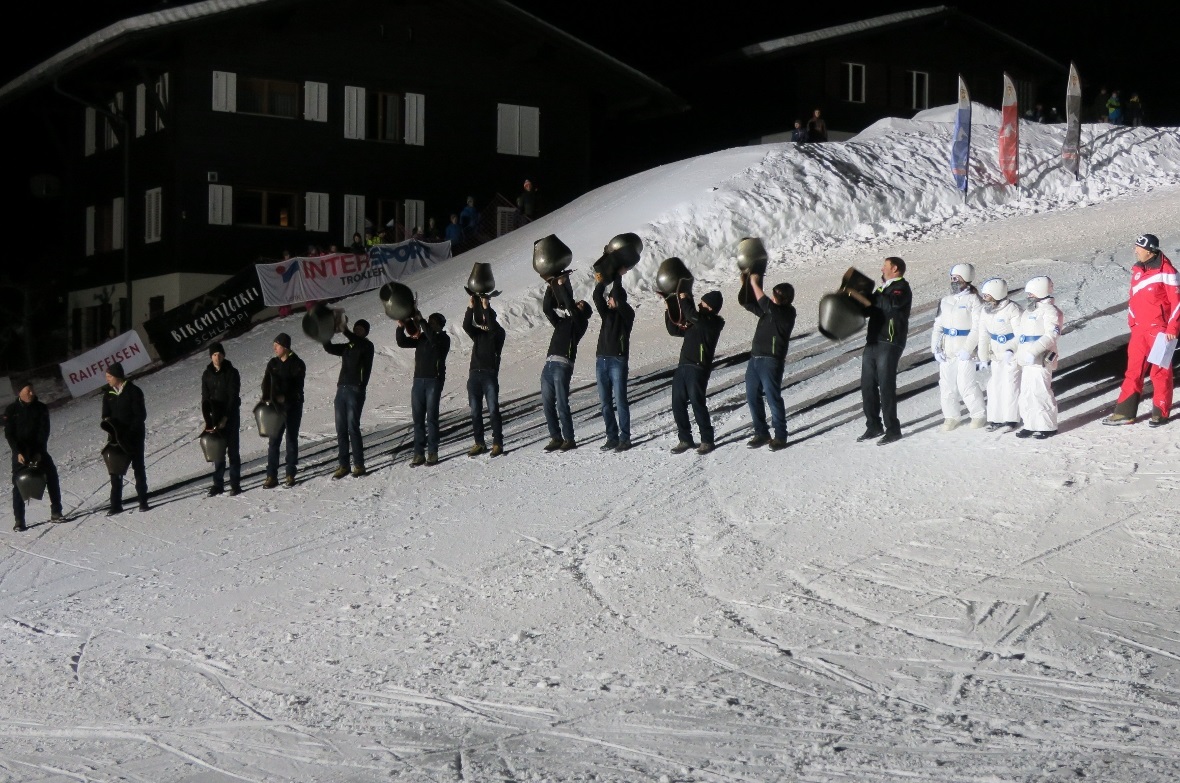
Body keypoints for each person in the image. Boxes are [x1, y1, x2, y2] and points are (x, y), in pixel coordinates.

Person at [1103, 233, 1179, 427]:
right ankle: (1125, 412)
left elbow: (1177, 303)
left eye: (1139, 247)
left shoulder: (1168, 271)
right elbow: (1133, 298)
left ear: (1150, 251)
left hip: (1161, 330)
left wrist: (1172, 327)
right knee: (1133, 370)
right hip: (1140, 330)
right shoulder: (1137, 270)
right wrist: (1132, 321)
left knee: (1160, 371)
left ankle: (1160, 411)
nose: (1135, 250)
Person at [849, 257, 912, 445]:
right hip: (873, 340)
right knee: (867, 385)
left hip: (890, 341)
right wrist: (856, 298)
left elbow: (890, 304)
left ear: (895, 268)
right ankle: (873, 425)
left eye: (884, 266)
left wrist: (871, 295)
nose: (881, 269)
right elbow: (869, 310)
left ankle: (893, 429)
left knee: (886, 386)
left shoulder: (901, 288)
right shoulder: (882, 288)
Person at [666, 289, 726, 454]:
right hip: (683, 365)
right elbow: (674, 330)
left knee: (697, 403)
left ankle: (707, 440)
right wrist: (669, 308)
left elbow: (692, 315)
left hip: (698, 367)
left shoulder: (712, 323)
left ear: (711, 307)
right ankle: (685, 439)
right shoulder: (697, 320)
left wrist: (685, 300)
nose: (699, 304)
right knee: (677, 404)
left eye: (703, 302)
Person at [742, 273, 796, 449]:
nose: (772, 298)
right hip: (755, 358)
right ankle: (761, 433)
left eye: (775, 296)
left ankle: (780, 436)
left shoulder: (787, 313)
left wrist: (754, 283)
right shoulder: (769, 310)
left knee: (773, 398)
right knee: (752, 396)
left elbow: (765, 302)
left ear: (784, 300)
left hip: (771, 361)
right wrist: (745, 285)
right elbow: (747, 302)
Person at [930, 263, 986, 430]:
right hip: (948, 349)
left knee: (965, 384)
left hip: (965, 350)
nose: (953, 281)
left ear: (966, 280)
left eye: (957, 278)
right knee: (946, 384)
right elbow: (938, 326)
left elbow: (977, 327)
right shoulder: (946, 301)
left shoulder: (974, 301)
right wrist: (935, 348)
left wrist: (968, 349)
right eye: (952, 278)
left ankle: (978, 414)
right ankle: (951, 416)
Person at [5, 381, 65, 530]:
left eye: (32, 391)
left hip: (38, 449)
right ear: (19, 392)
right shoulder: (12, 410)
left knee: (51, 477)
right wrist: (17, 452)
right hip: (20, 453)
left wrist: (39, 452)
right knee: (18, 484)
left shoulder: (41, 408)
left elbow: (44, 431)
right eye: (28, 391)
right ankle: (19, 520)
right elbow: (9, 434)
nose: (32, 393)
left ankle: (56, 511)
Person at [540, 276, 591, 451]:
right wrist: (550, 288)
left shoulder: (580, 323)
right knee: (547, 405)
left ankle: (569, 438)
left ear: (584, 312)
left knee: (562, 403)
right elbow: (547, 309)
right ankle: (555, 437)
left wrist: (561, 286)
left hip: (563, 365)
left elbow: (570, 306)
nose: (577, 304)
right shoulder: (562, 322)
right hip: (548, 365)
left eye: (581, 305)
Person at [396, 312, 450, 466]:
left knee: (431, 418)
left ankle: (432, 452)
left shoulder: (443, 338)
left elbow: (432, 337)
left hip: (434, 380)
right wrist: (400, 328)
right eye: (430, 321)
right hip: (418, 381)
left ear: (440, 325)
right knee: (418, 419)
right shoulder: (422, 337)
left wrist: (421, 320)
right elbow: (402, 343)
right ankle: (419, 453)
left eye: (434, 322)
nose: (431, 324)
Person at [324, 318, 375, 477]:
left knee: (353, 427)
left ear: (366, 332)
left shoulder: (366, 345)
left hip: (355, 389)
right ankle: (343, 465)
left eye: (361, 329)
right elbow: (330, 348)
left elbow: (357, 341)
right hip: (342, 388)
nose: (358, 331)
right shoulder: (349, 346)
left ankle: (359, 465)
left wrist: (344, 329)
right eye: (356, 328)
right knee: (341, 429)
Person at [1014, 276, 1064, 439]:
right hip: (1027, 359)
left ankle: (1047, 425)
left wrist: (1033, 351)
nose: (1028, 297)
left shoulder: (1050, 311)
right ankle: (1030, 424)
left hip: (1041, 358)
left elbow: (1051, 335)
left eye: (1031, 294)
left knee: (1040, 392)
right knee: (1027, 393)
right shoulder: (1029, 311)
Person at [592, 277, 636, 451]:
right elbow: (597, 297)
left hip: (618, 360)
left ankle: (625, 438)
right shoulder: (607, 314)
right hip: (601, 360)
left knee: (620, 400)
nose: (608, 301)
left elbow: (619, 301)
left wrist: (617, 280)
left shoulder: (627, 315)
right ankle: (611, 437)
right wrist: (602, 281)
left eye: (611, 298)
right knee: (605, 402)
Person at [100, 362, 149, 514]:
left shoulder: (133, 391)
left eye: (109, 376)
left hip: (134, 436)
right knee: (115, 471)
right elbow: (105, 415)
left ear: (117, 376)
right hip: (116, 437)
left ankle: (143, 500)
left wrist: (129, 432)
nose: (107, 379)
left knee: (138, 468)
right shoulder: (108, 394)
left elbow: (140, 415)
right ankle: (115, 505)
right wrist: (110, 427)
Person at [976, 278, 1024, 432]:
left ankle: (1011, 419)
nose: (984, 299)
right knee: (994, 385)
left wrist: (1011, 349)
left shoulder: (1013, 310)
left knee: (1010, 385)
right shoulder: (985, 311)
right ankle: (996, 418)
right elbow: (983, 335)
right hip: (996, 354)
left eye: (987, 296)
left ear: (996, 295)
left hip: (1012, 355)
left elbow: (1020, 335)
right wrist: (983, 357)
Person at [463, 296, 507, 457]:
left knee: (493, 409)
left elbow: (493, 328)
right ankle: (479, 442)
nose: (482, 319)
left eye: (485, 317)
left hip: (489, 374)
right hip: (474, 374)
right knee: (475, 411)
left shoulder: (498, 333)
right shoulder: (478, 334)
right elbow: (466, 325)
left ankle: (497, 443)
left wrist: (486, 307)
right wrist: (470, 307)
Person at [261, 333, 306, 487]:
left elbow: (295, 386)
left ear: (285, 347)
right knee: (273, 442)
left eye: (277, 345)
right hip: (276, 409)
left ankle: (290, 473)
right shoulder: (272, 363)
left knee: (291, 439)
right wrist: (267, 398)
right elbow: (266, 383)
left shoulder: (297, 363)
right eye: (274, 345)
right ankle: (271, 475)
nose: (275, 348)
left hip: (292, 406)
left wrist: (281, 391)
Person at [201, 342, 241, 496]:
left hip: (230, 416)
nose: (217, 358)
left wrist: (226, 417)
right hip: (215, 417)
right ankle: (218, 483)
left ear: (224, 355)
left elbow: (233, 396)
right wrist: (208, 420)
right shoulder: (207, 374)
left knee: (233, 451)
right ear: (211, 357)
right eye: (214, 355)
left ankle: (235, 483)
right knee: (217, 452)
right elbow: (205, 398)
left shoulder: (232, 372)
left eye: (219, 354)